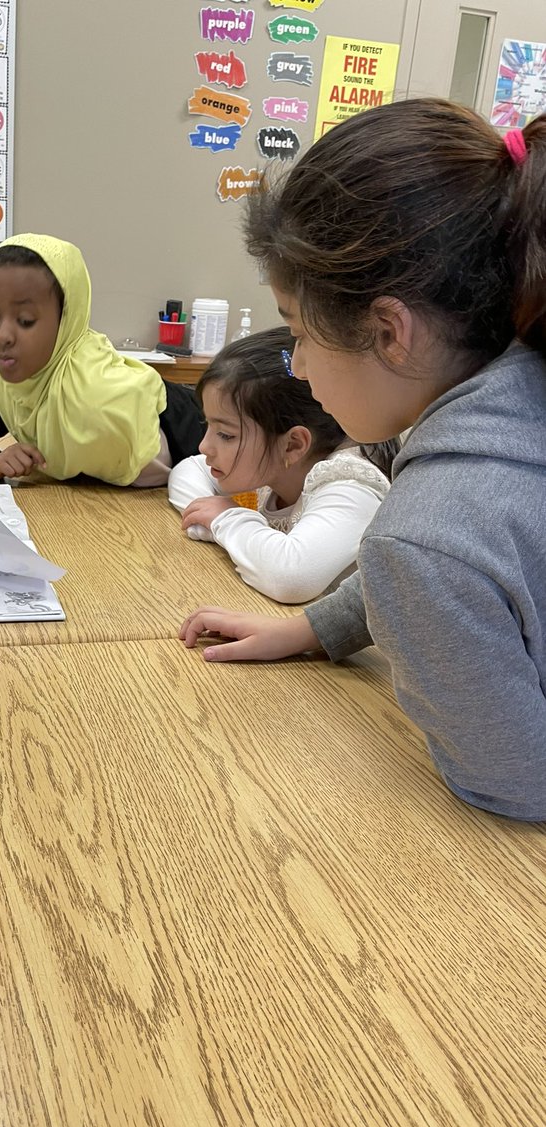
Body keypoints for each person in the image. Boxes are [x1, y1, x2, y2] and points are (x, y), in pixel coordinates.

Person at [180, 98, 546, 821]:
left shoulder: (426, 535)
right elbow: (475, 573)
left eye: (298, 333)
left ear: (388, 332)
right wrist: (317, 627)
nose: (300, 368)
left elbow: (517, 783)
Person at [0, 233, 205, 486]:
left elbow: (170, 474)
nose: (2, 337)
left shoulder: (106, 399)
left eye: (25, 320)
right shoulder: (6, 380)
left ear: (67, 318)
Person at [168, 328, 393, 603]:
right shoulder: (272, 463)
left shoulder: (351, 486)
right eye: (208, 425)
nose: (204, 447)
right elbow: (188, 469)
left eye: (226, 435)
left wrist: (224, 520)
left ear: (293, 445)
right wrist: (207, 519)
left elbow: (291, 579)